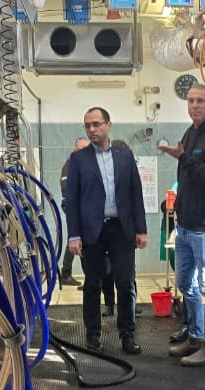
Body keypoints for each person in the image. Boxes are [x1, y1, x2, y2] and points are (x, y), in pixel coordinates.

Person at [158, 84, 205, 367]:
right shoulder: (191, 132)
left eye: (200, 100)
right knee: (185, 284)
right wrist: (178, 209)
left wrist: (183, 157)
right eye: (190, 101)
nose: (194, 105)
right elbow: (187, 177)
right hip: (186, 225)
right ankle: (194, 337)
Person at [66, 106, 148, 354]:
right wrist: (74, 235)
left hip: (121, 229)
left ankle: (127, 335)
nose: (92, 129)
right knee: (92, 284)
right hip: (92, 231)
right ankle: (92, 335)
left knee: (125, 283)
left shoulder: (125, 156)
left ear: (108, 125)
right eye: (87, 126)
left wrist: (141, 229)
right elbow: (72, 200)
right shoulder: (78, 160)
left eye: (96, 124)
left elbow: (135, 194)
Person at [60, 137, 89, 286]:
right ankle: (71, 275)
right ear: (75, 150)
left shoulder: (84, 164)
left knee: (77, 239)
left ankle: (67, 273)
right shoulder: (70, 165)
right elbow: (67, 189)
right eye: (81, 149)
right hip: (74, 207)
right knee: (82, 239)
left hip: (84, 207)